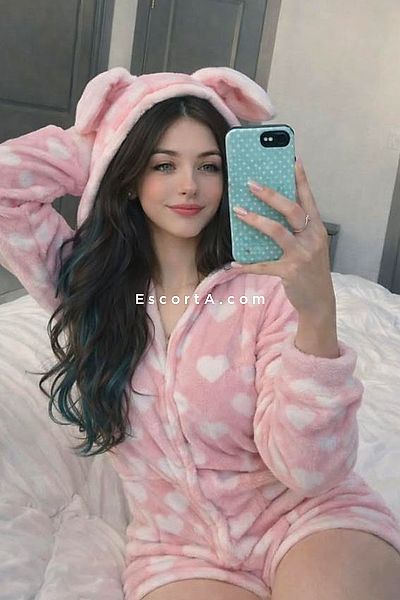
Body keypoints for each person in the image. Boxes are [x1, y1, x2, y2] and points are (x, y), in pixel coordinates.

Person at [0, 66, 399, 600]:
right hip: (180, 551)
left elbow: (309, 472)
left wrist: (318, 315)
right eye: (163, 164)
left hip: (307, 519)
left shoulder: (265, 288)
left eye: (209, 165)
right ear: (128, 173)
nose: (189, 185)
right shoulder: (87, 287)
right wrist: (101, 142)